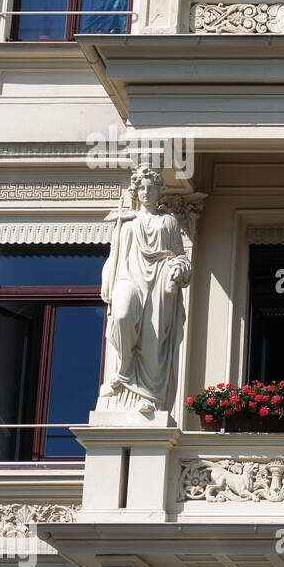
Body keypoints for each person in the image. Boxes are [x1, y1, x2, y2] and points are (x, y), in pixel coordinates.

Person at [97, 164, 192, 414]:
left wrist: (177, 270)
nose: (146, 192)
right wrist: (108, 281)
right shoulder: (127, 222)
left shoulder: (169, 222)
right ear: (136, 191)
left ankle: (148, 396)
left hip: (159, 281)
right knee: (121, 316)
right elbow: (115, 257)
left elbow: (181, 258)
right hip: (129, 278)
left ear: (159, 192)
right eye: (142, 188)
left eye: (151, 188)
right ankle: (124, 370)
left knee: (154, 338)